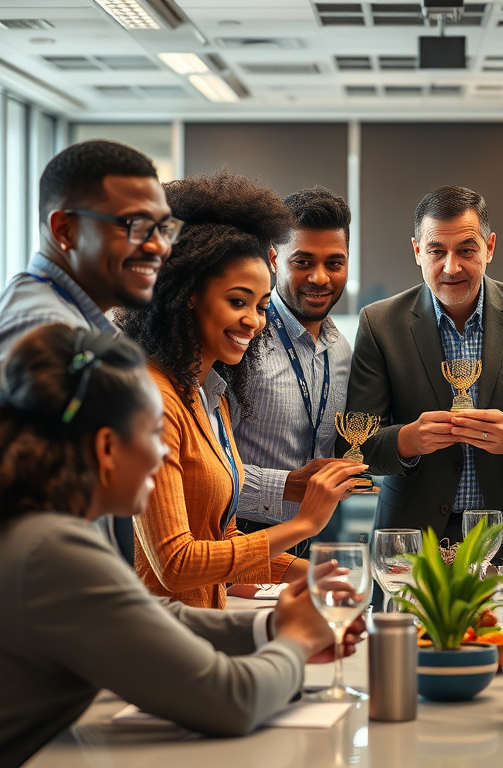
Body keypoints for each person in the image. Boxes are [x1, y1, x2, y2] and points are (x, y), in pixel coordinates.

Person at [0, 324, 365, 768]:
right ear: (106, 449)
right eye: (154, 435)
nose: (163, 456)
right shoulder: (50, 550)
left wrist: (269, 630)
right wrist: (295, 641)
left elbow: (147, 615)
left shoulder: (30, 527)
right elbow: (232, 701)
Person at [117, 170, 362, 609]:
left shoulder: (208, 395)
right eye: (237, 302)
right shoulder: (151, 401)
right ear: (189, 294)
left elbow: (224, 542)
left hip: (206, 625)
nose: (254, 321)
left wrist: (324, 576)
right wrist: (303, 525)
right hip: (167, 636)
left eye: (262, 306)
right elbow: (175, 564)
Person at [0, 139, 177, 562]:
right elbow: (20, 540)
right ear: (64, 229)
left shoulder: (68, 320)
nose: (158, 245)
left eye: (163, 227)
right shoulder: (41, 331)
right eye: (135, 225)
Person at [342, 185, 503, 545]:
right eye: (436, 251)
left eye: (466, 250)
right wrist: (408, 440)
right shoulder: (380, 323)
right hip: (411, 536)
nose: (450, 267)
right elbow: (358, 443)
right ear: (417, 251)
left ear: (489, 248)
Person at [234, 186, 357, 542]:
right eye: (302, 262)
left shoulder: (341, 350)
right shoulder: (242, 341)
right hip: (244, 537)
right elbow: (207, 466)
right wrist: (288, 486)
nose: (320, 277)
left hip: (324, 535)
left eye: (334, 263)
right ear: (274, 260)